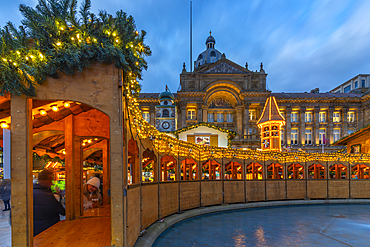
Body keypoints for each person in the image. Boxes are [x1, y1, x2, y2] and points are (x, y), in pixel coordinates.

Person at [33, 169, 65, 236]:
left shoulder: (29, 193)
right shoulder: (48, 196)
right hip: (47, 231)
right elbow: (63, 211)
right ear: (43, 180)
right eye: (50, 180)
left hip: (33, 231)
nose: (52, 183)